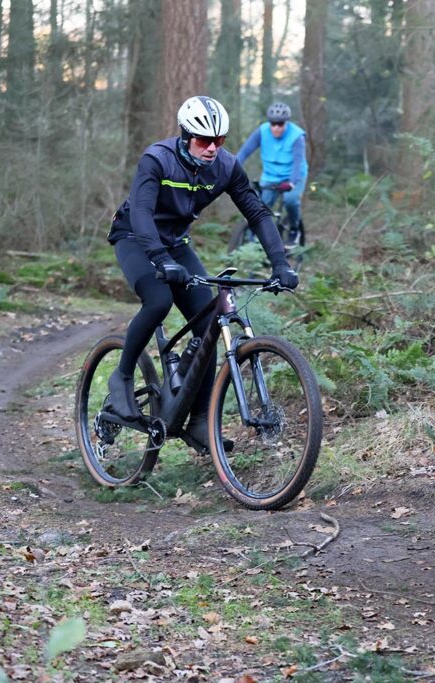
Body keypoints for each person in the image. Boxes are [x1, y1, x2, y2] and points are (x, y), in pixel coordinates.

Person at [106, 95, 298, 452]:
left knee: (209, 325)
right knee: (159, 299)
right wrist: (160, 259)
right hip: (134, 235)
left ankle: (197, 422)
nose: (211, 149)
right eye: (203, 140)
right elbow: (143, 214)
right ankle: (121, 376)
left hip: (175, 244)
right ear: (185, 135)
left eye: (219, 141)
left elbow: (257, 214)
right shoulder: (157, 159)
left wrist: (281, 264)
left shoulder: (225, 167)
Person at [236, 102, 309, 245]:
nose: (276, 128)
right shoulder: (262, 131)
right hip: (271, 175)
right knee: (260, 206)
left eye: (280, 124)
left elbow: (297, 162)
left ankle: (294, 229)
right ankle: (256, 236)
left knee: (291, 200)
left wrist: (292, 182)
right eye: (273, 124)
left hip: (293, 175)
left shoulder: (297, 136)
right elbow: (244, 152)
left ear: (286, 123)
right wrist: (231, 168)